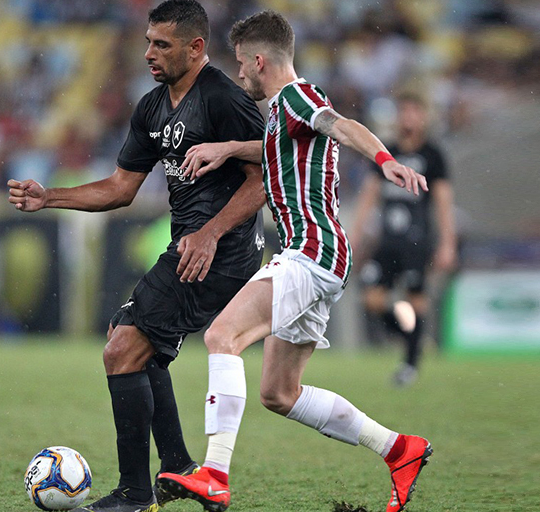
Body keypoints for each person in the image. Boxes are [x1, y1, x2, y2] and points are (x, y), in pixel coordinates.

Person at [157, 10, 432, 512]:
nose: (239, 75)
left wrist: (386, 161)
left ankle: (215, 473)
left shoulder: (297, 97)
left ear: (260, 61)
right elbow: (276, 147)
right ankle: (399, 449)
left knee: (222, 336)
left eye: (241, 65)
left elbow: (341, 126)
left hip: (310, 250)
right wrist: (226, 148)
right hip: (322, 256)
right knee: (280, 393)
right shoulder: (285, 113)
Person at [8, 2, 267, 511]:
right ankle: (179, 467)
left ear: (196, 48)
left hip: (221, 253)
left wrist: (212, 232)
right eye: (148, 41)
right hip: (190, 248)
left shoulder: (224, 99)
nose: (148, 53)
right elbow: (121, 187)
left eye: (162, 45)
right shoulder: (151, 108)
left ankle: (134, 493)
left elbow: (264, 179)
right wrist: (50, 197)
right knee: (130, 345)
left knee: (122, 349)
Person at [349, 92, 458, 387]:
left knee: (416, 302)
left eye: (414, 112)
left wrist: (448, 243)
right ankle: (412, 337)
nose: (408, 117)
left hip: (416, 243)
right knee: (372, 299)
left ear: (424, 117)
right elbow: (368, 197)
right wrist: (355, 236)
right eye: (404, 111)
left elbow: (443, 203)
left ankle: (409, 365)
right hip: (386, 242)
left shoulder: (432, 155)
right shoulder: (386, 153)